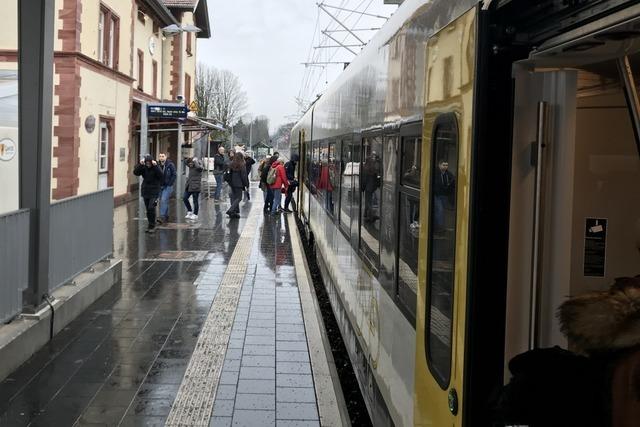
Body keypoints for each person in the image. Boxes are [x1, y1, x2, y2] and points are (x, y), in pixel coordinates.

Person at [133, 155, 163, 233]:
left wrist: (156, 166)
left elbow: (161, 175)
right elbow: (136, 172)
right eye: (147, 163)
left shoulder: (156, 167)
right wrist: (140, 164)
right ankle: (150, 224)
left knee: (151, 207)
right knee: (148, 209)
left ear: (152, 162)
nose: (148, 164)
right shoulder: (144, 167)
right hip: (146, 191)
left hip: (154, 191)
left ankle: (152, 225)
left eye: (149, 163)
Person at [433, 159, 455, 233]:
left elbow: (453, 181)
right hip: (437, 194)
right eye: (443, 165)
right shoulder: (435, 173)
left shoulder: (448, 174)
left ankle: (439, 226)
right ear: (439, 165)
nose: (445, 167)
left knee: (442, 210)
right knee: (440, 209)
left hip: (444, 195)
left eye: (446, 165)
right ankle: (440, 227)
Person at [226, 152, 249, 218]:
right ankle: (231, 210)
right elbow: (244, 176)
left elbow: (229, 173)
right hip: (239, 184)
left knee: (234, 197)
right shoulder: (242, 165)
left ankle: (235, 211)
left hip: (232, 183)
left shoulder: (231, 164)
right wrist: (246, 184)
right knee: (239, 198)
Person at [361, 151, 381, 223]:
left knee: (368, 201)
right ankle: (367, 214)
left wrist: (362, 188)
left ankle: (369, 215)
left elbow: (364, 180)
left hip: (367, 187)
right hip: (371, 187)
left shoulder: (366, 168)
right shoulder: (372, 168)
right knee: (368, 201)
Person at [157, 153, 176, 224]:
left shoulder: (170, 165)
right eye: (160, 156)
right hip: (160, 185)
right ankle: (166, 215)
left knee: (163, 200)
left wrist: (170, 183)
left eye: (163, 156)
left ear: (166, 157)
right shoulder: (157, 165)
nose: (161, 158)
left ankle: (162, 217)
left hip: (167, 186)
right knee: (164, 201)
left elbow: (174, 174)